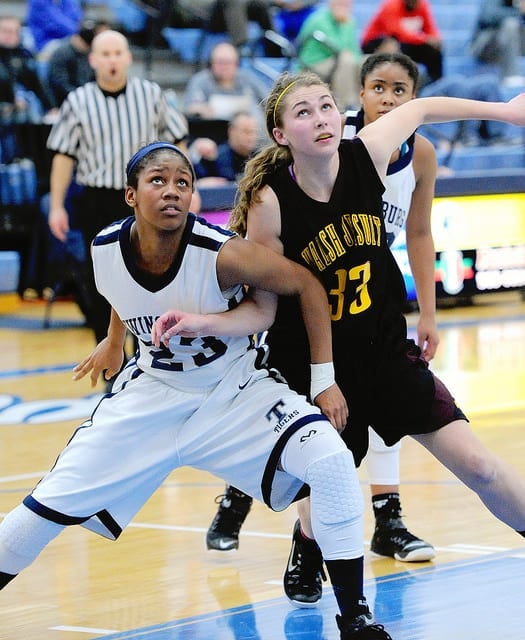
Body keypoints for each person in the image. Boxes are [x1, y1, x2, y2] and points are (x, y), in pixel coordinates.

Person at [0, 140, 394, 640]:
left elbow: (309, 286)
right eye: (157, 181)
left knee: (332, 463)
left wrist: (322, 379)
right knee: (42, 509)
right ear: (130, 195)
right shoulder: (103, 248)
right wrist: (114, 339)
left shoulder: (221, 253)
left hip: (234, 393)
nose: (172, 191)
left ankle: (355, 620)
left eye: (182, 183)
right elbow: (124, 292)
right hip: (150, 396)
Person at [224, 70, 525, 622]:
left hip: (386, 352)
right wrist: (204, 324)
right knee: (330, 487)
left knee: (479, 464)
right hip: (317, 368)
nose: (321, 119)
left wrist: (506, 113)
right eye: (304, 112)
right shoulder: (270, 204)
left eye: (326, 107)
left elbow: (425, 108)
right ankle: (307, 542)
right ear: (280, 133)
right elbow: (265, 308)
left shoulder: (366, 154)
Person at [46, 29, 189, 347]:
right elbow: (63, 156)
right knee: (102, 281)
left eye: (117, 53)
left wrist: (185, 186)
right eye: (105, 54)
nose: (112, 60)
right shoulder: (78, 100)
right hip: (96, 198)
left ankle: (150, 351)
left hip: (145, 198)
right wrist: (57, 205)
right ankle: (110, 354)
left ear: (128, 58)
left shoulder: (150, 94)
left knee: (152, 272)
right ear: (93, 60)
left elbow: (177, 139)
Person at [182, 41, 267, 130]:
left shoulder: (247, 78)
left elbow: (268, 100)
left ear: (236, 64)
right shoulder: (200, 80)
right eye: (220, 62)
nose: (224, 67)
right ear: (211, 64)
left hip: (251, 133)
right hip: (214, 132)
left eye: (228, 63)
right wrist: (201, 109)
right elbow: (189, 108)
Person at [296, 0, 363, 109]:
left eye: (347, 5)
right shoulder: (319, 19)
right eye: (340, 4)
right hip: (312, 65)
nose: (344, 7)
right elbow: (338, 48)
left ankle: (362, 104)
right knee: (347, 60)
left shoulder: (349, 20)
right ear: (331, 4)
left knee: (365, 61)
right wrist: (345, 24)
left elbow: (355, 50)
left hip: (335, 62)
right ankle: (344, 107)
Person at [360, 0, 443, 84]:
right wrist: (425, 39)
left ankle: (435, 84)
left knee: (434, 51)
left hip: (406, 42)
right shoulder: (391, 5)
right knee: (392, 44)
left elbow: (430, 28)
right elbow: (395, 31)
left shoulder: (422, 5)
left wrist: (435, 39)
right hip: (377, 42)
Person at [0, 15, 56, 123]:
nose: (10, 36)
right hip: (4, 107)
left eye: (14, 32)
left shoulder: (25, 56)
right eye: (5, 31)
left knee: (31, 100)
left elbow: (38, 86)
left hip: (22, 109)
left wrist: (52, 107)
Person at [46, 19, 111, 108]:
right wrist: (81, 97)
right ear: (77, 37)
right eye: (85, 43)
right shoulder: (61, 54)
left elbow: (96, 79)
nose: (86, 47)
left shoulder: (91, 53)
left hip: (88, 99)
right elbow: (60, 84)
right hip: (64, 102)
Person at [190, 110, 261, 185]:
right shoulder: (214, 158)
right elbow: (197, 182)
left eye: (253, 132)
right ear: (232, 131)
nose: (251, 137)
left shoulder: (261, 159)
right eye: (246, 132)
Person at [470, 0, 525, 86]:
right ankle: (511, 75)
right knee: (511, 24)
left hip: (510, 47)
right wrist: (519, 11)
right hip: (484, 46)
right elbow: (488, 16)